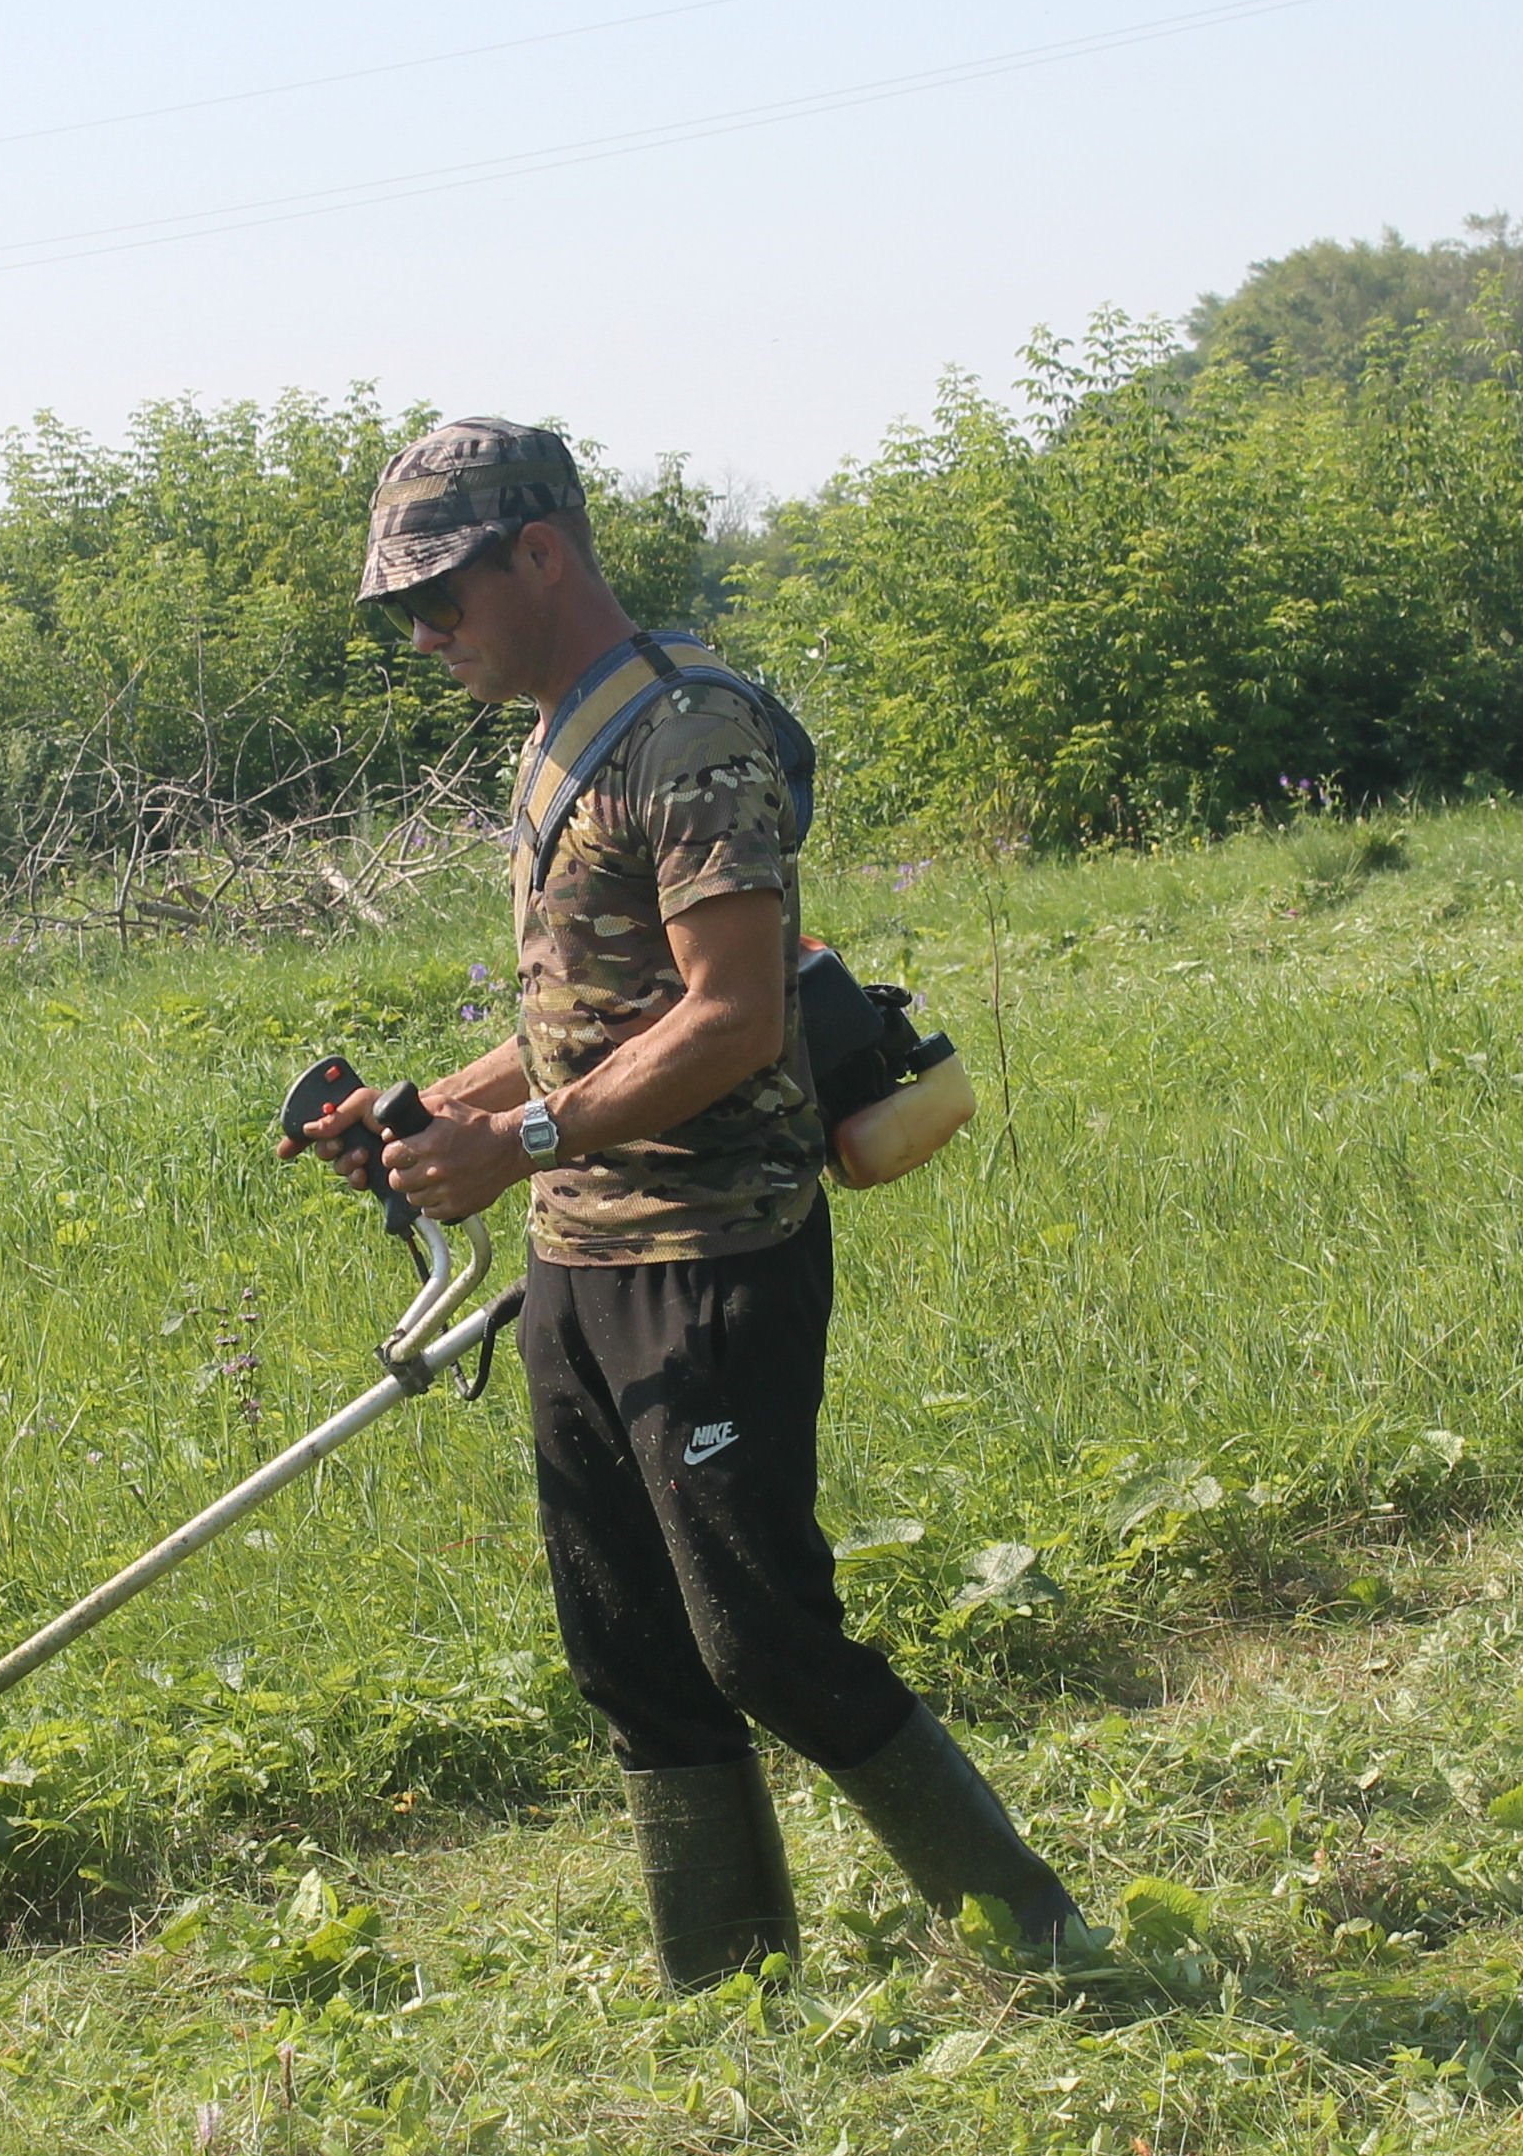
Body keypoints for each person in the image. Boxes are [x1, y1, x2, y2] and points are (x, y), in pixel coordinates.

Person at [288, 416, 1096, 1991]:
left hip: (714, 1255)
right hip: (580, 1259)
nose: (425, 635)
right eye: (403, 612)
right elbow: (598, 1010)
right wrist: (431, 1109)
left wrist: (519, 1138)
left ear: (541, 553)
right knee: (629, 1648)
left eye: (439, 596)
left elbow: (730, 1017)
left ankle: (1050, 1951)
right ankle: (727, 1996)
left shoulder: (689, 734)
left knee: (764, 1640)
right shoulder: (558, 736)